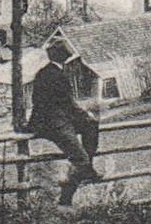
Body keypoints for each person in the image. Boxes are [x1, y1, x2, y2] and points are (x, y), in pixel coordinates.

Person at [21, 40, 101, 203]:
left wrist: (84, 118)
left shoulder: (42, 73)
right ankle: (66, 198)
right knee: (81, 159)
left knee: (91, 126)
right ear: (64, 59)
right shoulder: (58, 76)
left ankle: (88, 169)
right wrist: (86, 115)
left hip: (48, 120)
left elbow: (54, 104)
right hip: (54, 124)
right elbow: (67, 104)